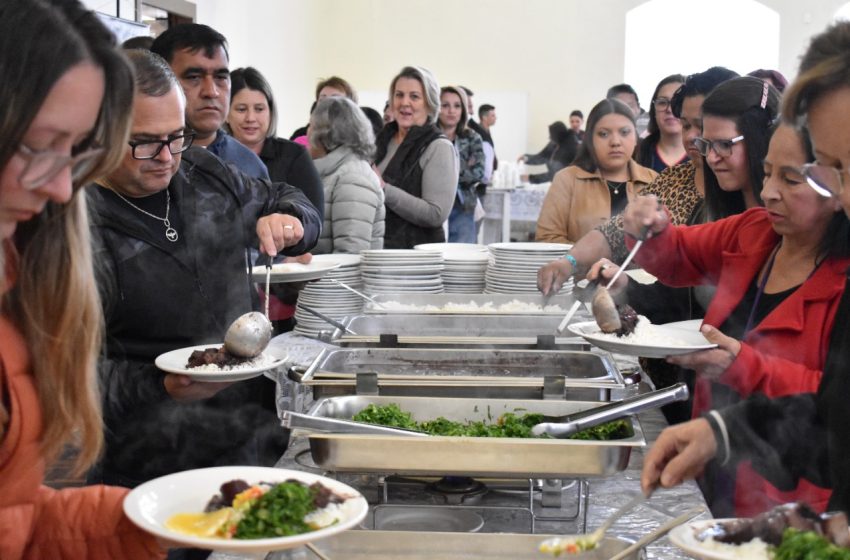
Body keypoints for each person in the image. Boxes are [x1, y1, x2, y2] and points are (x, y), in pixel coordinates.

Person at [86, 49, 320, 500]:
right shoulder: (76, 227)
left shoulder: (203, 173)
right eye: (145, 142)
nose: (166, 157)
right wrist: (161, 386)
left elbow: (287, 198)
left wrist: (291, 220)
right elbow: (67, 374)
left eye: (176, 137)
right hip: (147, 455)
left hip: (250, 429)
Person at [641, 19, 850, 518]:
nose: (773, 191)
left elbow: (828, 406)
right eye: (832, 169)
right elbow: (834, 423)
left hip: (798, 509)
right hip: (741, 483)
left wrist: (743, 372)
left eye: (806, 176)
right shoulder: (755, 230)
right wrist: (722, 431)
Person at [0, 0, 163, 557]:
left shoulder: (21, 271)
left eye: (72, 152)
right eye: (38, 146)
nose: (62, 190)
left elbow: (13, 514)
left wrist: (142, 522)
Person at [537, 68, 740, 425]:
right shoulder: (677, 177)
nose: (695, 138)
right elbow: (616, 234)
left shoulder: (742, 198)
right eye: (688, 125)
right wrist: (570, 262)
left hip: (725, 376)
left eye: (704, 128)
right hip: (670, 358)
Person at [150, 23, 269, 180]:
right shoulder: (141, 160)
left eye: (220, 77)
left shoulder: (250, 167)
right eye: (194, 77)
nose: (211, 92)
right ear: (159, 81)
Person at [534, 99, 656, 244]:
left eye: (624, 132)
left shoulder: (652, 180)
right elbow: (547, 238)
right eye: (604, 134)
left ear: (635, 137)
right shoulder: (567, 180)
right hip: (581, 267)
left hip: (638, 268)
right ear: (590, 140)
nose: (615, 142)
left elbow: (667, 244)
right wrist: (590, 260)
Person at [373, 66, 458, 248]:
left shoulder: (439, 147)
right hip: (379, 250)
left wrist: (384, 189)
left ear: (429, 104)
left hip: (415, 258)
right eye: (399, 95)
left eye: (414, 96)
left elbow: (435, 214)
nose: (404, 103)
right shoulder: (382, 139)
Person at [227, 67, 324, 215]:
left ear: (271, 113)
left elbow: (313, 217)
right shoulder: (213, 155)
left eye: (259, 109)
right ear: (226, 114)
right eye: (241, 109)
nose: (250, 118)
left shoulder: (294, 156)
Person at [308, 96, 385, 254]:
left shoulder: (354, 178)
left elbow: (351, 254)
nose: (307, 132)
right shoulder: (331, 172)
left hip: (339, 279)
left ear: (325, 133)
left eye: (312, 125)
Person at [439, 86, 485, 243]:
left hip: (463, 205)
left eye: (457, 106)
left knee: (462, 258)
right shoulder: (429, 136)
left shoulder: (472, 137)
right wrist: (464, 166)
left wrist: (445, 173)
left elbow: (479, 172)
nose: (451, 111)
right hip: (433, 206)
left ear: (463, 110)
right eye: (445, 105)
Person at [636, 74, 688, 173]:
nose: (669, 109)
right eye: (662, 102)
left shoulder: (704, 155)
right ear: (653, 109)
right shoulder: (637, 152)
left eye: (678, 103)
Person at [289, 76, 358, 141]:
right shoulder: (301, 134)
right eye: (322, 99)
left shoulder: (358, 135)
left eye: (335, 99)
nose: (327, 103)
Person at [478, 103, 498, 185]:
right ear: (484, 118)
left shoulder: (486, 132)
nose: (496, 118)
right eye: (493, 115)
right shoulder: (479, 135)